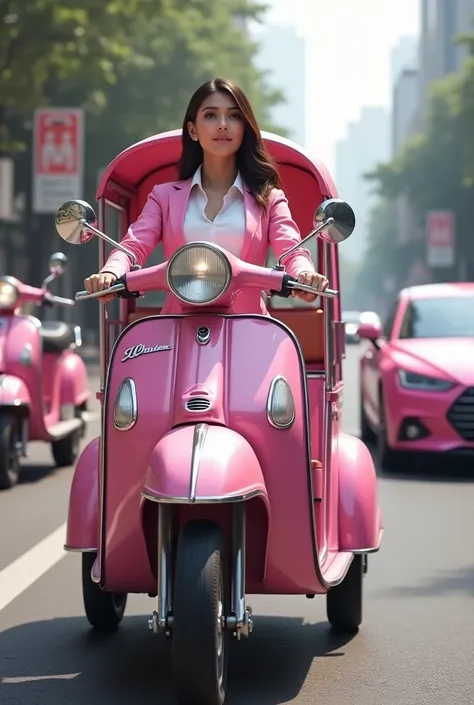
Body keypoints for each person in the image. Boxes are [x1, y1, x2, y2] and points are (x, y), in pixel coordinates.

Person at [84, 77, 328, 309]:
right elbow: (133, 245)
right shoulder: (163, 197)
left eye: (234, 116)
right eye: (211, 115)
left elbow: (291, 249)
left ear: (244, 128)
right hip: (177, 327)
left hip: (250, 329)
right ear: (193, 130)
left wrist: (304, 273)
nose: (223, 124)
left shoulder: (270, 199)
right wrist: (110, 272)